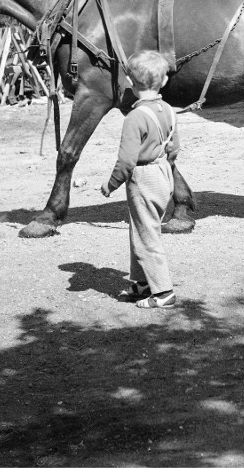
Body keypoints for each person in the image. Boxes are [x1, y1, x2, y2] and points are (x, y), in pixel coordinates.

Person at [101, 50, 179, 309]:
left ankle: (164, 292)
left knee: (147, 235)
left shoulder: (135, 116)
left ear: (130, 84)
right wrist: (164, 167)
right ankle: (143, 284)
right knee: (141, 229)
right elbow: (174, 147)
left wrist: (110, 184)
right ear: (164, 82)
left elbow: (126, 161)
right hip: (162, 173)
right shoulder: (167, 109)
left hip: (144, 177)